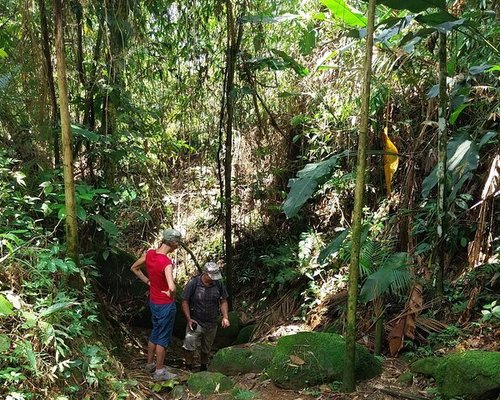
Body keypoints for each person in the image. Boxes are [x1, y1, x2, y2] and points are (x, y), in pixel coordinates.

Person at [130, 228, 182, 381]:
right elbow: (172, 287)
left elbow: (134, 268)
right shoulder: (166, 262)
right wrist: (171, 294)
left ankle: (149, 364)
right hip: (165, 304)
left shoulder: (151, 254)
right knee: (163, 337)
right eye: (178, 242)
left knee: (156, 330)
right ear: (172, 242)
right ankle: (159, 371)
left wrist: (148, 282)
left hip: (154, 302)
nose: (178, 245)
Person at [181, 262, 230, 371]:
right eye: (211, 276)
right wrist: (189, 319)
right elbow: (185, 301)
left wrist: (225, 316)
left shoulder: (218, 284)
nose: (213, 279)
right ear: (205, 273)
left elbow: (223, 301)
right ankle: (188, 367)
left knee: (206, 348)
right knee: (189, 344)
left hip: (211, 322)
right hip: (196, 320)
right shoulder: (193, 283)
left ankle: (203, 367)